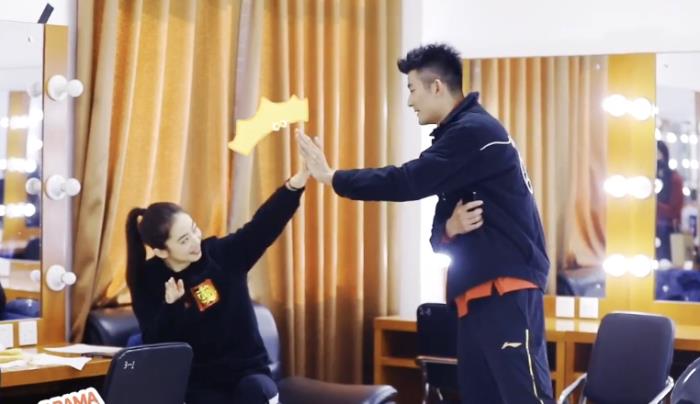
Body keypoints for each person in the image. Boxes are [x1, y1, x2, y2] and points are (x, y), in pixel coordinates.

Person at [298, 43, 553, 403]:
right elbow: (436, 236)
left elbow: (408, 181)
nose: (409, 101)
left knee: (523, 396)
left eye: (412, 89)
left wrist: (333, 177)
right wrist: (451, 228)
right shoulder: (458, 141)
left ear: (436, 87)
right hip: (474, 296)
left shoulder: (475, 132)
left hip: (504, 291)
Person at [125, 165, 309, 404]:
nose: (196, 242)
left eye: (194, 230)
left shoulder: (223, 255)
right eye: (184, 240)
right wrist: (171, 307)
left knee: (258, 390)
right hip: (198, 384)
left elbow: (262, 227)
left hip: (247, 373)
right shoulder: (149, 281)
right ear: (161, 251)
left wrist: (293, 186)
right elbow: (156, 345)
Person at [656, 140, 684, 262]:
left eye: (657, 154)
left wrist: (652, 204)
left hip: (666, 230)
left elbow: (674, 211)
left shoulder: (674, 178)